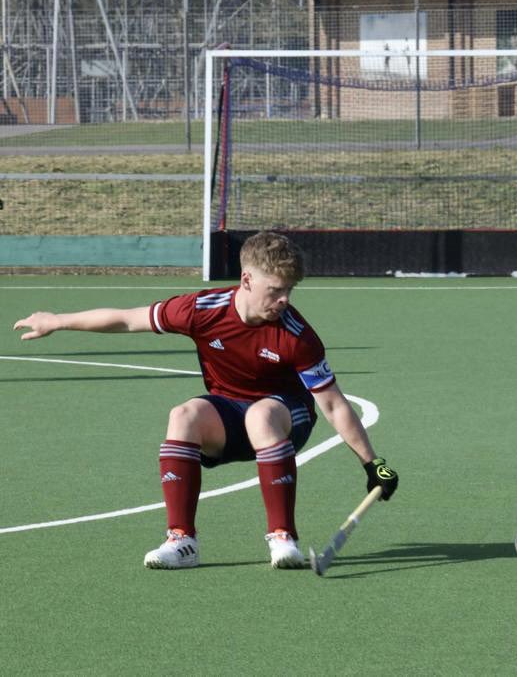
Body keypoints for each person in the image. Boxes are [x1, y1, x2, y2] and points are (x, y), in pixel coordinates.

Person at [13, 232, 398, 570]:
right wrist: (57, 320)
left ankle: (283, 538)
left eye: (289, 292)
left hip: (286, 418)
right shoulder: (202, 310)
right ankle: (182, 541)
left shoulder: (297, 336)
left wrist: (371, 462)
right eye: (275, 290)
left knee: (262, 415)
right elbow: (128, 319)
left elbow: (331, 404)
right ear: (247, 279)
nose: (283, 300)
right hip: (230, 414)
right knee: (185, 414)